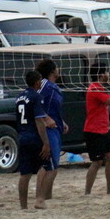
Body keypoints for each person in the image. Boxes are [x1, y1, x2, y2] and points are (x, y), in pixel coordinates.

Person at [16, 70, 57, 209]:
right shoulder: (36, 96)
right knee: (50, 168)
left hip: (22, 137)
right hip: (34, 137)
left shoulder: (20, 97)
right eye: (40, 80)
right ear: (36, 82)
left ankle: (23, 206)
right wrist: (46, 143)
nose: (41, 82)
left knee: (25, 174)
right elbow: (39, 121)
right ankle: (40, 200)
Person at [35, 58, 69, 202]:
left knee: (48, 164)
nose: (59, 69)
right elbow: (36, 105)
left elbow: (50, 108)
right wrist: (46, 118)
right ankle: (41, 198)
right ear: (52, 71)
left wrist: (60, 121)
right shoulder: (45, 86)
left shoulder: (52, 86)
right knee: (51, 166)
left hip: (55, 128)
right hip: (47, 130)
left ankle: (45, 196)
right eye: (57, 67)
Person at [84, 64, 110, 195]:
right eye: (107, 71)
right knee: (97, 161)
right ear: (102, 74)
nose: (109, 74)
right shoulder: (95, 89)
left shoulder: (100, 88)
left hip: (103, 129)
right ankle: (87, 191)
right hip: (94, 130)